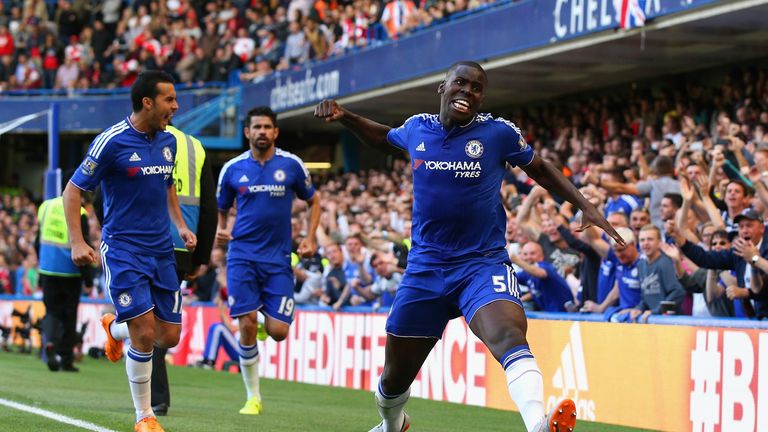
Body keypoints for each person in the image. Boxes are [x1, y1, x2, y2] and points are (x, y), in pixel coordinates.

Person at [314, 61, 623, 432]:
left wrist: (585, 204)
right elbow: (384, 137)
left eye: (476, 88)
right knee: (394, 379)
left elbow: (539, 169)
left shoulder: (498, 134)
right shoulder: (416, 128)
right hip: (425, 268)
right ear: (442, 88)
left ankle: (538, 425)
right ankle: (392, 423)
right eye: (460, 83)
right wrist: (346, 116)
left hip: (482, 263)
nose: (468, 91)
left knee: (509, 335)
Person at [63, 70, 197, 432]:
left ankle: (113, 328)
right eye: (169, 99)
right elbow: (73, 191)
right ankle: (145, 417)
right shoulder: (111, 141)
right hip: (123, 249)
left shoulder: (168, 141)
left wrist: (181, 225)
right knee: (143, 331)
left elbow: (167, 184)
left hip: (161, 250)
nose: (176, 105)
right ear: (147, 102)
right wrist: (78, 240)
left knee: (167, 337)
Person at [216, 106, 321, 415]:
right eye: (256, 127)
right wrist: (222, 230)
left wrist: (311, 237)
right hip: (242, 256)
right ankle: (253, 397)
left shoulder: (291, 165)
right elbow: (222, 207)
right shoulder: (232, 169)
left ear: (276, 132)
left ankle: (265, 318)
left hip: (278, 260)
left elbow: (314, 201)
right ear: (247, 132)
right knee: (245, 323)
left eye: (267, 127)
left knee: (278, 332)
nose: (261, 132)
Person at [150, 124, 218, 416]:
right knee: (161, 324)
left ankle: (150, 398)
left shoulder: (132, 137)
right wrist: (200, 257)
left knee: (143, 319)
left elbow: (105, 196)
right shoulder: (194, 147)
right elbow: (208, 208)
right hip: (180, 248)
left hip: (138, 241)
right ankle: (157, 398)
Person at [36, 191, 95, 372]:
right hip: (70, 272)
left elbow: (37, 242)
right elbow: (82, 246)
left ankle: (50, 343)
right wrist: (88, 278)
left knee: (52, 312)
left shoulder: (45, 207)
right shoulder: (81, 212)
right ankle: (66, 360)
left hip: (47, 269)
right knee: (69, 317)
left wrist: (41, 268)